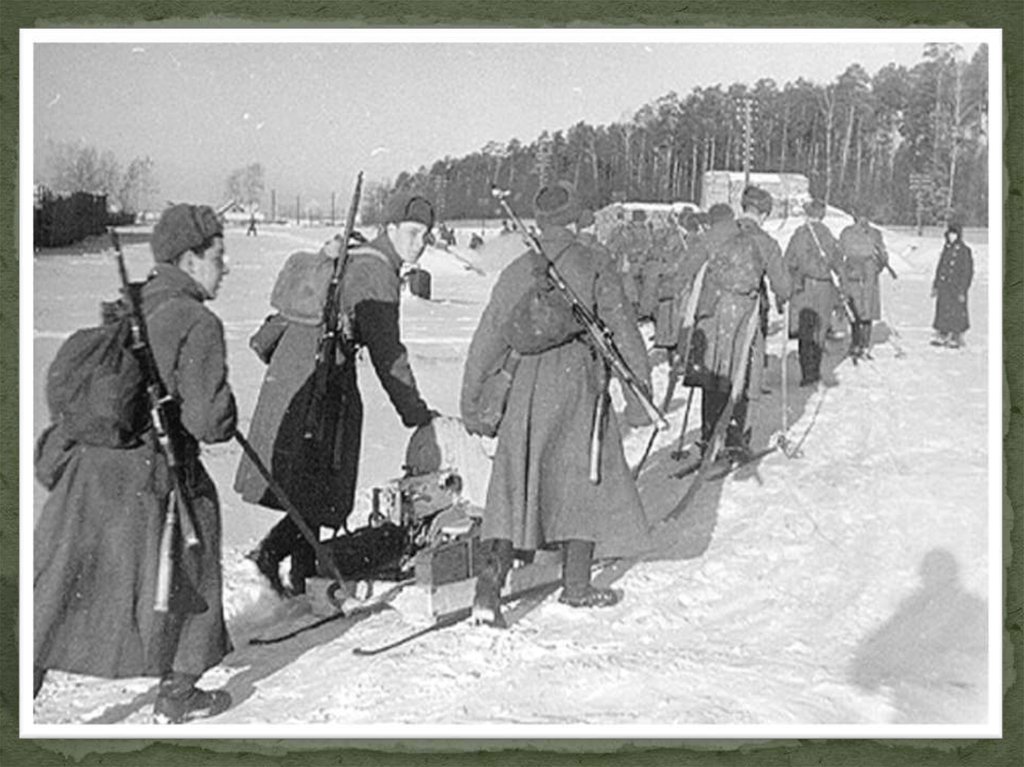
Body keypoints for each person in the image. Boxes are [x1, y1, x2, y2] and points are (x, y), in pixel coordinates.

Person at [34, 204, 237, 723]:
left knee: (57, 584)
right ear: (190, 260)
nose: (226, 266)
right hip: (148, 473)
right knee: (200, 544)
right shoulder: (199, 321)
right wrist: (225, 408)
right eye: (218, 255)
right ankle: (179, 691)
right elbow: (208, 422)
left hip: (87, 468)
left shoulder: (136, 302)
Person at [461, 181, 653, 627]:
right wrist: (639, 397)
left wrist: (472, 402)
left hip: (524, 384)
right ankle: (578, 586)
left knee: (511, 484)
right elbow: (623, 331)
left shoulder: (516, 270)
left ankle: (488, 590)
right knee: (583, 478)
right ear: (575, 219)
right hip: (578, 383)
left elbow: (487, 338)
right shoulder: (593, 263)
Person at [234, 192, 436, 597]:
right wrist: (415, 412)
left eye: (426, 235)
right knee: (323, 474)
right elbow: (388, 354)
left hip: (304, 369)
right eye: (413, 233)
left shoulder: (361, 257)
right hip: (319, 375)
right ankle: (274, 554)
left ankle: (301, 569)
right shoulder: (377, 273)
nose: (421, 242)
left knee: (316, 476)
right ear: (390, 229)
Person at [684, 187, 790, 463]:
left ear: (741, 205)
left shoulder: (716, 232)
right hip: (744, 317)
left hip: (711, 314)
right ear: (764, 213)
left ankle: (708, 439)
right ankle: (735, 440)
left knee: (713, 373)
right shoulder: (766, 242)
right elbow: (784, 286)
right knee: (743, 374)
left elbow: (687, 268)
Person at [784, 199, 846, 387]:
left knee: (805, 330)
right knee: (820, 330)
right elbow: (839, 264)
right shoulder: (828, 235)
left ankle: (807, 373)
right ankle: (815, 370)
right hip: (825, 288)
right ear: (822, 215)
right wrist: (842, 288)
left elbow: (789, 261)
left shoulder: (800, 234)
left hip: (805, 287)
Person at [838, 210, 890, 359]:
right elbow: (883, 258)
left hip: (859, 276)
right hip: (864, 276)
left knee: (859, 311)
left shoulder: (851, 233)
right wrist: (875, 270)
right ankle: (861, 345)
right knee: (862, 311)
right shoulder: (870, 233)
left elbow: (883, 256)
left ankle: (858, 345)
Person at [931, 223, 974, 348]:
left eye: (954, 234)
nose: (951, 236)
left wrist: (962, 289)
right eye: (950, 234)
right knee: (943, 308)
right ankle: (942, 333)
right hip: (945, 285)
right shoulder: (946, 249)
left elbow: (967, 272)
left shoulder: (964, 250)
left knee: (957, 311)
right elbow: (940, 268)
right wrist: (936, 285)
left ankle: (956, 335)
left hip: (957, 287)